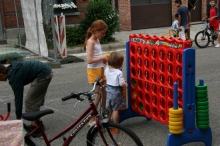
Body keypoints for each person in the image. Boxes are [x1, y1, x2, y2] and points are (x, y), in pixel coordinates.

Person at [0, 61, 52, 136]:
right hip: (43, 70)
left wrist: (18, 119)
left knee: (30, 102)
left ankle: (37, 129)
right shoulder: (10, 69)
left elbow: (18, 98)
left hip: (43, 74)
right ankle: (38, 123)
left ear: (1, 75)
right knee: (33, 99)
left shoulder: (14, 77)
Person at [84, 20, 108, 126]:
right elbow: (89, 60)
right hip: (94, 71)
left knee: (105, 93)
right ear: (95, 31)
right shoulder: (91, 42)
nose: (104, 34)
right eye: (102, 32)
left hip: (100, 69)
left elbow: (97, 56)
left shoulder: (97, 40)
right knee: (97, 96)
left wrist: (105, 61)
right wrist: (102, 57)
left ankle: (104, 115)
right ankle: (91, 119)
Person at [105, 52, 127, 123]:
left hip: (108, 92)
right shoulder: (119, 72)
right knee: (115, 110)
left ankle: (108, 121)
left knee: (109, 108)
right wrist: (126, 85)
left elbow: (107, 65)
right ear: (118, 64)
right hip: (116, 93)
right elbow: (121, 83)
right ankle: (116, 125)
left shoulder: (107, 70)